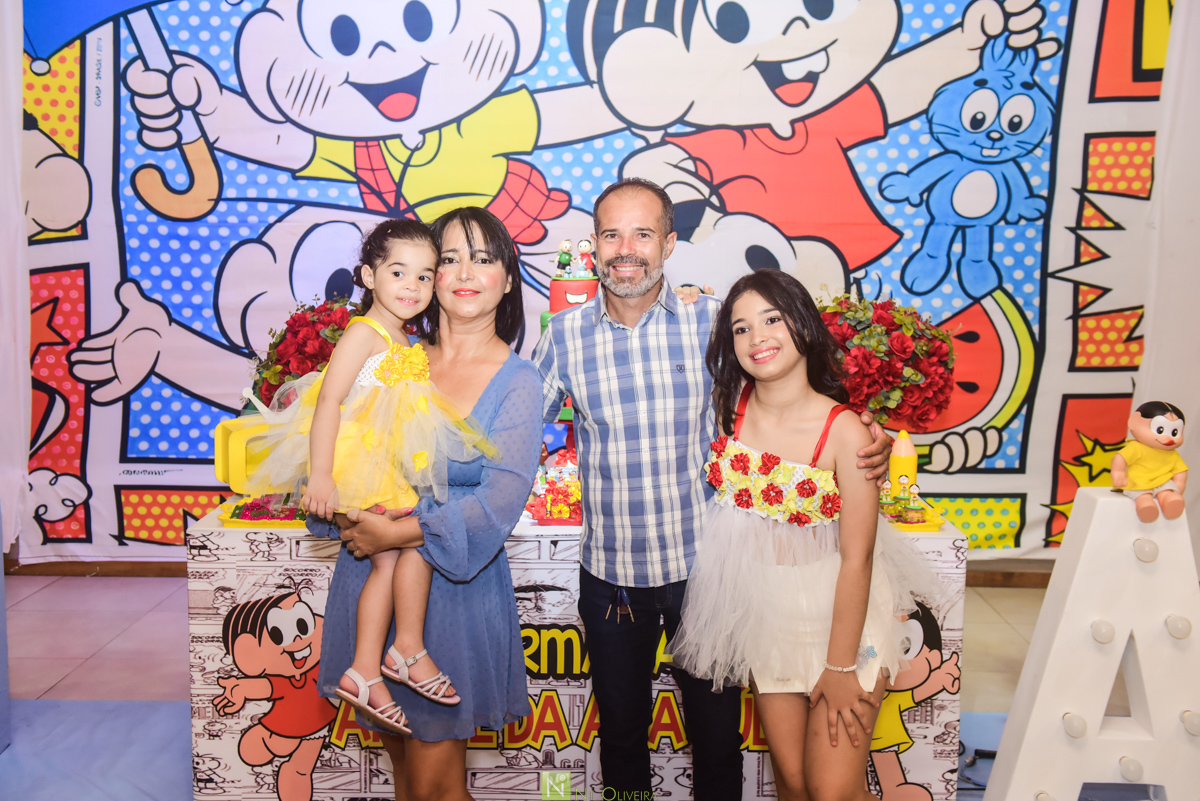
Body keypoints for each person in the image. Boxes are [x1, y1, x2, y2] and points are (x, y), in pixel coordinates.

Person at [531, 178, 894, 799]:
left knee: (717, 736)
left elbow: (783, 390)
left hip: (709, 572)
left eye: (643, 233)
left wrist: (862, 429)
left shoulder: (715, 324)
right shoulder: (562, 336)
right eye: (612, 234)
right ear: (591, 246)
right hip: (611, 575)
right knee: (620, 734)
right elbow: (513, 431)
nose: (627, 248)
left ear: (669, 244)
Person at [669, 270, 944, 801]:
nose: (758, 337)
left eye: (772, 319)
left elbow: (857, 559)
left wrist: (841, 667)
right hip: (768, 617)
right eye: (741, 328)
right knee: (794, 785)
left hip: (843, 624)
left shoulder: (846, 431)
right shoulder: (729, 409)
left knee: (832, 791)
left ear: (803, 325)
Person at [312, 207, 543, 800]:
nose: (466, 271)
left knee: (437, 788)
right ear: (427, 276)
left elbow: (499, 502)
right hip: (373, 583)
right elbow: (340, 444)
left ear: (509, 278)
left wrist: (397, 533)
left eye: (484, 258)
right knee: (408, 785)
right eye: (449, 258)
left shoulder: (518, 379)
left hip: (456, 592)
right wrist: (349, 513)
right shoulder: (394, 357)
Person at [246, 219, 497, 732]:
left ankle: (368, 667)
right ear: (368, 274)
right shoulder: (364, 333)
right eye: (398, 272)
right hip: (353, 462)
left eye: (426, 276)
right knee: (411, 548)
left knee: (397, 556)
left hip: (381, 463)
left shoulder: (403, 338)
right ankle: (398, 652)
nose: (413, 286)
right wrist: (320, 475)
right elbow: (330, 403)